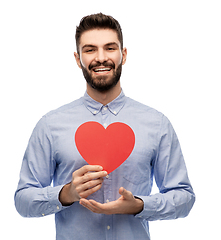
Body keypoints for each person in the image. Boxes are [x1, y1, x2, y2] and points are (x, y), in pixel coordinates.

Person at [15, 13, 195, 240]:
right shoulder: (50, 126)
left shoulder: (157, 124)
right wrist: (65, 193)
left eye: (110, 48)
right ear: (77, 58)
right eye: (90, 50)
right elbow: (23, 200)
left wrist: (140, 205)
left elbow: (184, 198)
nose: (101, 58)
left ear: (124, 54)